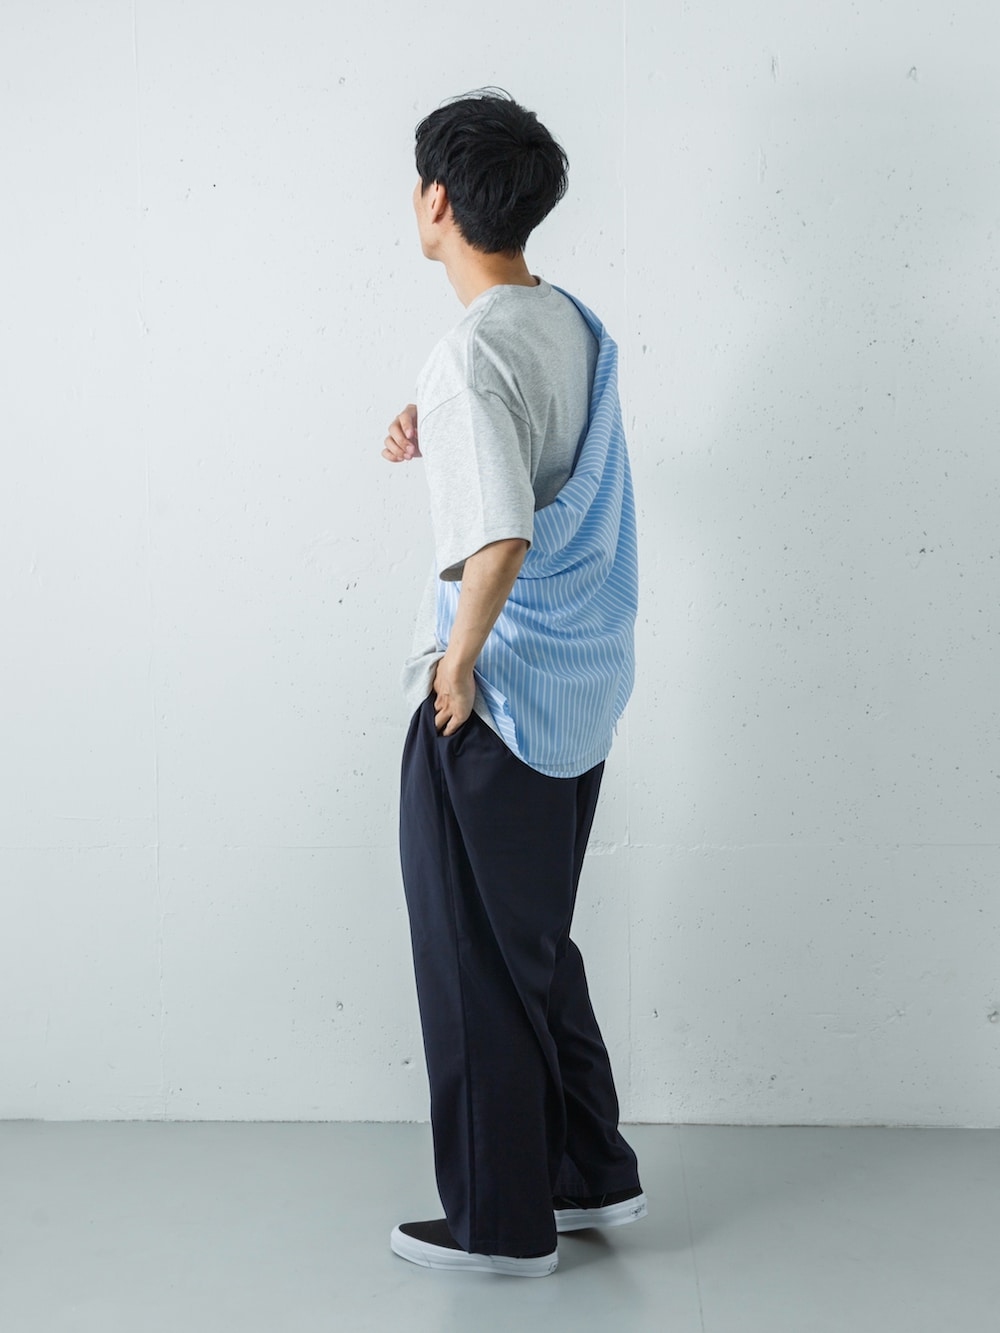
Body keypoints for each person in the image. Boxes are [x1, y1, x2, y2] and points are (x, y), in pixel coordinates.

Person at [381, 88, 645, 1278]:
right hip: (581, 691)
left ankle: (500, 1224)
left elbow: (498, 536)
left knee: (472, 959)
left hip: (498, 699)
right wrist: (444, 429)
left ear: (436, 199)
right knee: (532, 941)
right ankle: (591, 1171)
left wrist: (454, 667)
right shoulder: (568, 321)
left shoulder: (468, 355)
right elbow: (542, 459)